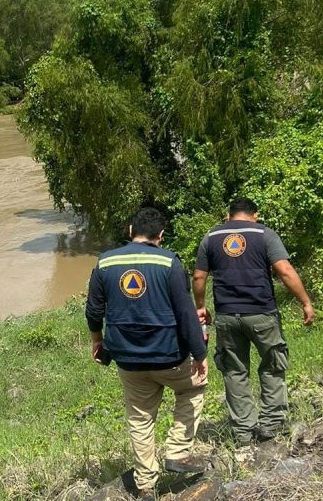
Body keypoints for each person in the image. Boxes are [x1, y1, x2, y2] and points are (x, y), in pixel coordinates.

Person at [86, 208, 208, 499]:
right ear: (161, 236)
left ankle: (145, 485)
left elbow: (93, 310)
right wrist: (200, 354)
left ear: (130, 230)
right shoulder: (169, 262)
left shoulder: (105, 261)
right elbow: (185, 313)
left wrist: (96, 340)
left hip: (128, 358)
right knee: (193, 389)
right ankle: (178, 452)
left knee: (140, 418)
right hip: (170, 355)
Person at [192, 197, 315, 446]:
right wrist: (305, 302)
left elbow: (198, 277)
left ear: (229, 215)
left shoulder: (211, 238)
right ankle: (271, 423)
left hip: (227, 316)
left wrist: (201, 306)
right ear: (254, 215)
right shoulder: (264, 234)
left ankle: (243, 431)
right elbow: (285, 271)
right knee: (272, 364)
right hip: (261, 313)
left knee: (235, 372)